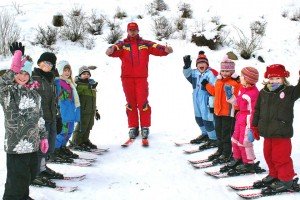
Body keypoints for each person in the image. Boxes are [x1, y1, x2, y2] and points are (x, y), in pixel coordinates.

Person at [105, 22, 173, 145]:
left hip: (141, 78)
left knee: (143, 103)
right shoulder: (123, 44)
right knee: (131, 103)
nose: (132, 32)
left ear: (138, 30)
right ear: (127, 31)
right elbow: (114, 49)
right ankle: (133, 128)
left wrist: (166, 50)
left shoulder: (145, 44)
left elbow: (157, 47)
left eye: (134, 30)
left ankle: (145, 127)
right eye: (130, 30)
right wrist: (110, 50)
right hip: (127, 79)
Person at [0, 42, 48, 200]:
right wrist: (13, 67)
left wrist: (43, 136)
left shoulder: (35, 94)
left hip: (33, 143)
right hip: (17, 144)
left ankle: (23, 196)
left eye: (25, 74)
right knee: (16, 178)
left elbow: (39, 117)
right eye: (19, 73)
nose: (22, 76)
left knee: (30, 174)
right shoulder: (9, 92)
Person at [252, 64, 300, 194]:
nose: (274, 81)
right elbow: (257, 110)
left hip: (281, 132)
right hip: (267, 133)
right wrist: (254, 126)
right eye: (272, 78)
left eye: (278, 78)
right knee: (268, 155)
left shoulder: (289, 91)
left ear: (284, 78)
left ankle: (286, 180)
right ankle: (274, 174)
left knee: (281, 157)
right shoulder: (263, 92)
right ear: (267, 79)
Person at [219, 66, 261, 174]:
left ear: (248, 79)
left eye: (242, 76)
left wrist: (252, 128)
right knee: (235, 139)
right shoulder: (242, 89)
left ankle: (248, 163)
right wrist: (230, 96)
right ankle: (238, 158)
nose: (240, 77)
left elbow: (254, 112)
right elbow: (237, 104)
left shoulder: (253, 94)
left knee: (245, 142)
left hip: (247, 120)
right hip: (240, 118)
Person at [31, 51, 62, 187]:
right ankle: (35, 173)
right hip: (39, 119)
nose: (47, 65)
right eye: (45, 62)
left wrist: (58, 116)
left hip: (51, 117)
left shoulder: (52, 79)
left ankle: (43, 168)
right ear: (39, 63)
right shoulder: (34, 77)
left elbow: (55, 100)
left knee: (48, 147)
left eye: (50, 64)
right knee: (39, 148)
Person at [204, 55, 240, 164]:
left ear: (232, 72)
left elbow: (238, 98)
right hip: (217, 112)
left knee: (226, 134)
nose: (224, 73)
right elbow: (215, 92)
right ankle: (220, 150)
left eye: (227, 71)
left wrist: (237, 110)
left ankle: (227, 153)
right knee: (218, 133)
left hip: (228, 114)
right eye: (223, 70)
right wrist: (206, 85)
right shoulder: (219, 82)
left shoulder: (235, 83)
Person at [182, 51, 218, 149]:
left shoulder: (211, 73)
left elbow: (216, 87)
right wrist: (187, 66)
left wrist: (208, 87)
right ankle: (205, 134)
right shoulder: (195, 73)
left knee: (207, 119)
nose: (201, 65)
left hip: (206, 99)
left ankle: (214, 138)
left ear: (207, 64)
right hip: (196, 98)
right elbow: (187, 74)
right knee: (198, 118)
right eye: (199, 63)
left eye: (204, 63)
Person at [52, 60, 80, 161]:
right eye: (65, 70)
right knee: (63, 132)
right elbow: (59, 97)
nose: (67, 73)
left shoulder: (69, 83)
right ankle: (55, 150)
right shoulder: (58, 82)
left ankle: (62, 147)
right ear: (60, 71)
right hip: (63, 113)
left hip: (70, 112)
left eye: (69, 70)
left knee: (69, 132)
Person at [70, 66, 100, 151]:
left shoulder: (92, 85)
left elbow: (92, 100)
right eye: (84, 74)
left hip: (91, 110)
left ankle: (84, 140)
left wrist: (96, 111)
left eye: (88, 74)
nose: (86, 75)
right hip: (82, 110)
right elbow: (75, 96)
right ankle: (76, 142)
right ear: (80, 75)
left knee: (89, 126)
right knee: (82, 126)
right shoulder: (78, 85)